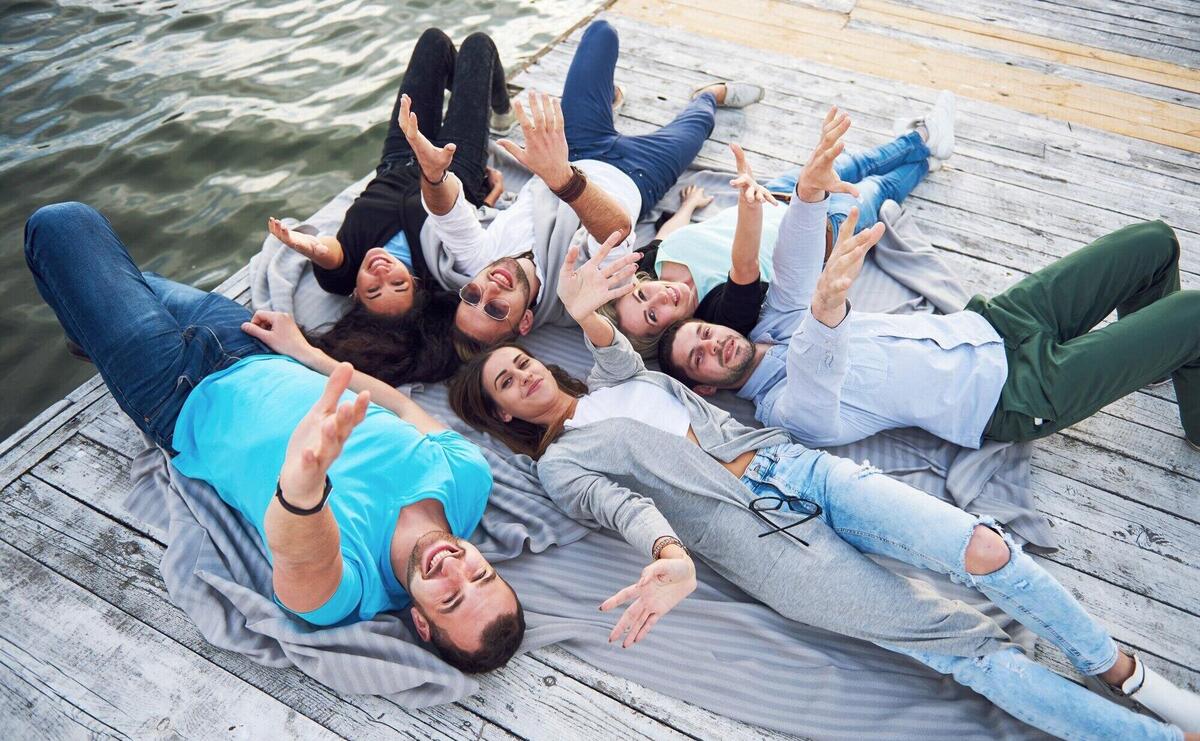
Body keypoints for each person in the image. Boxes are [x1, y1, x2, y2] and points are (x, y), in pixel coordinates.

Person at [447, 234, 1200, 740]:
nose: (522, 371)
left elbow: (609, 343)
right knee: (964, 648)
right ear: (506, 412)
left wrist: (585, 310)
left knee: (981, 549)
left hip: (800, 469)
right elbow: (625, 505)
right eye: (506, 382)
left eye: (517, 360)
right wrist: (669, 553)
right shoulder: (561, 463)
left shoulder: (618, 376)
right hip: (771, 552)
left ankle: (1121, 669)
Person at [24, 202, 524, 674]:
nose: (454, 569)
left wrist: (305, 481)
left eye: (450, 599)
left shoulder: (347, 594)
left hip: (177, 393)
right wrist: (305, 351)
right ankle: (91, 331)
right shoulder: (469, 479)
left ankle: (94, 332)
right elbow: (403, 405)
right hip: (251, 344)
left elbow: (300, 552)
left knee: (61, 226)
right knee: (121, 282)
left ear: (421, 621)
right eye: (481, 575)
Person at [658, 107, 1200, 452]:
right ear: (705, 386)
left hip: (994, 322)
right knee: (1194, 314)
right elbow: (817, 383)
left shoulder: (773, 321)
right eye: (699, 357)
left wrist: (807, 192)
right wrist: (825, 314)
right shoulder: (784, 412)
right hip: (1013, 394)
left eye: (703, 333)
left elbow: (797, 262)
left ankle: (1159, 356)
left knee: (1153, 242)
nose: (714, 344)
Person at [404, 19, 766, 354]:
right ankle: (707, 94)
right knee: (701, 119)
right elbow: (615, 231)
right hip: (639, 175)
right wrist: (560, 177)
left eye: (472, 296)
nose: (488, 290)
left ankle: (606, 102)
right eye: (496, 309)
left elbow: (446, 212)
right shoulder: (576, 294)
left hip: (575, 145)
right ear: (525, 321)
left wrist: (433, 175)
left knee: (602, 33)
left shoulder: (478, 264)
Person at [600, 93, 955, 355]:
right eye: (652, 315)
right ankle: (925, 147)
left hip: (777, 195)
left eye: (643, 293)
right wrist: (747, 205)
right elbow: (745, 264)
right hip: (823, 229)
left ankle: (925, 145)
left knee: (852, 162)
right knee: (878, 187)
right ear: (662, 334)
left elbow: (665, 238)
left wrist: (689, 206)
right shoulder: (718, 314)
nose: (660, 297)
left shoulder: (649, 266)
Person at [267, 28, 510, 318]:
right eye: (397, 284)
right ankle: (502, 110)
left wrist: (307, 245)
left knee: (434, 42)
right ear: (416, 285)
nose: (382, 273)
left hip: (397, 160)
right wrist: (490, 198)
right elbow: (468, 233)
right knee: (478, 46)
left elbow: (327, 254)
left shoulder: (341, 277)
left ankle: (469, 91)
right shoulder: (435, 272)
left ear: (356, 293)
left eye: (373, 290)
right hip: (454, 169)